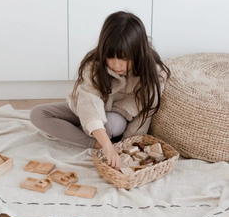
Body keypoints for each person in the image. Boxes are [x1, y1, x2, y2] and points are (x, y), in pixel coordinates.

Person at [30, 11, 170, 170]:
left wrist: (126, 147)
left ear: (138, 53)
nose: (117, 65)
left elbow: (144, 115)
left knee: (109, 126)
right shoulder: (95, 64)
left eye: (124, 59)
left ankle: (94, 134)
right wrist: (106, 146)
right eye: (111, 58)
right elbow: (88, 99)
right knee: (37, 113)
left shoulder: (153, 73)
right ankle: (97, 141)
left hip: (115, 117)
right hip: (86, 108)